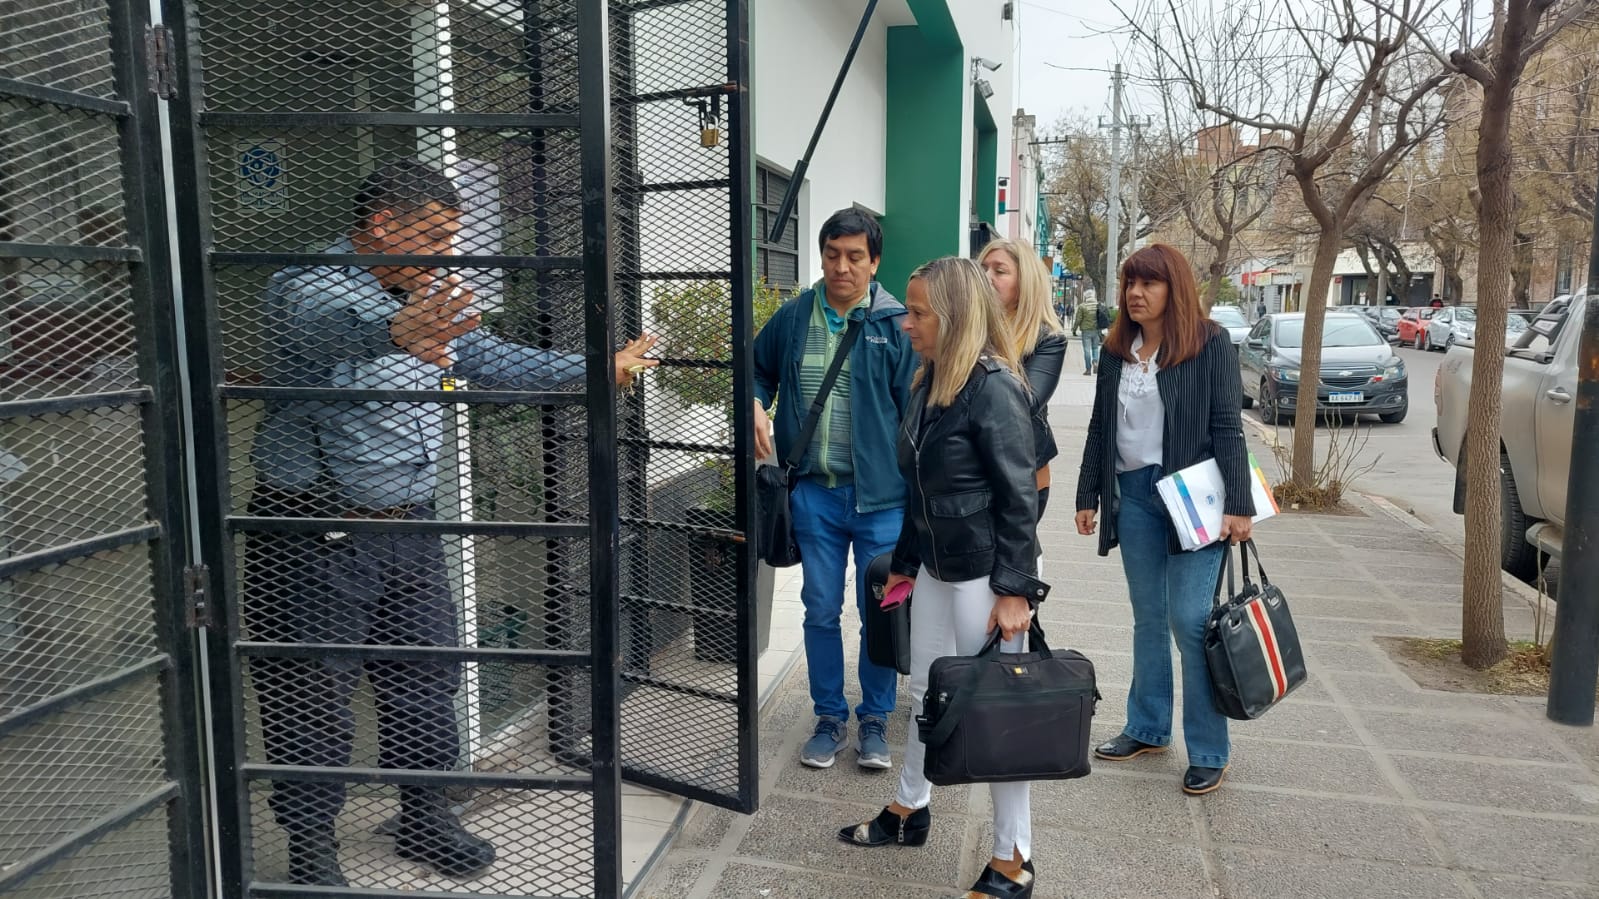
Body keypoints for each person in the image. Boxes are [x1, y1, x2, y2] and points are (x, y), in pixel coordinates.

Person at [246, 158, 658, 886]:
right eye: (434, 237)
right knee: (311, 690)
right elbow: (343, 327)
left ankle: (425, 817)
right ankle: (312, 849)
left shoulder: (426, 294)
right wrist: (398, 330)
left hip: (408, 527)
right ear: (382, 225)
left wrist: (592, 366)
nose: (448, 254)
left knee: (424, 677)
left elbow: (492, 357)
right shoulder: (305, 288)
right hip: (314, 534)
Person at [838, 256, 1047, 899]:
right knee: (926, 696)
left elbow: (1021, 498)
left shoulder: (995, 388)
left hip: (988, 578)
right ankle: (909, 807)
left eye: (920, 312)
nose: (906, 322)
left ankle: (1015, 860)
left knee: (997, 717)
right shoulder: (930, 384)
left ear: (955, 317)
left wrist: (1015, 591)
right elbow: (920, 490)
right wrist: (904, 567)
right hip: (933, 568)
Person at [1073, 243, 1254, 797]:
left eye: (1148, 283)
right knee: (1147, 617)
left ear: (1173, 288)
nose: (1135, 293)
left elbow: (1227, 424)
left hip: (1193, 497)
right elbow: (1102, 426)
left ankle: (1209, 749)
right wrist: (1088, 493)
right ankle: (1147, 726)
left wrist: (1239, 503)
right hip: (1133, 496)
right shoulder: (1115, 349)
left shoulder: (1209, 344)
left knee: (1191, 621)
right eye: (1130, 283)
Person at [752, 208, 918, 770]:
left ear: (874, 262)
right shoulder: (795, 316)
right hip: (815, 496)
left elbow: (917, 413)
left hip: (882, 501)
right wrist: (754, 400)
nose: (841, 267)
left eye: (854, 257)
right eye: (831, 254)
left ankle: (874, 718)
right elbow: (756, 368)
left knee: (879, 610)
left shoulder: (896, 325)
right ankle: (829, 717)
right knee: (820, 607)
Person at [979, 238, 1068, 517]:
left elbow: (1023, 402)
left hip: (1021, 476)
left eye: (999, 271)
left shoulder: (1048, 339)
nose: (987, 277)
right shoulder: (967, 329)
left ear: (1024, 283)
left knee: (1012, 559)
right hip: (965, 476)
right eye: (983, 269)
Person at [1071, 290, 1105, 375]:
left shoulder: (1082, 306)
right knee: (1095, 348)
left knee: (1087, 350)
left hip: (1086, 331)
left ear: (1086, 297)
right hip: (1096, 330)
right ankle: (1095, 362)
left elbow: (1078, 319)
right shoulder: (1098, 305)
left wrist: (1074, 329)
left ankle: (1088, 369)